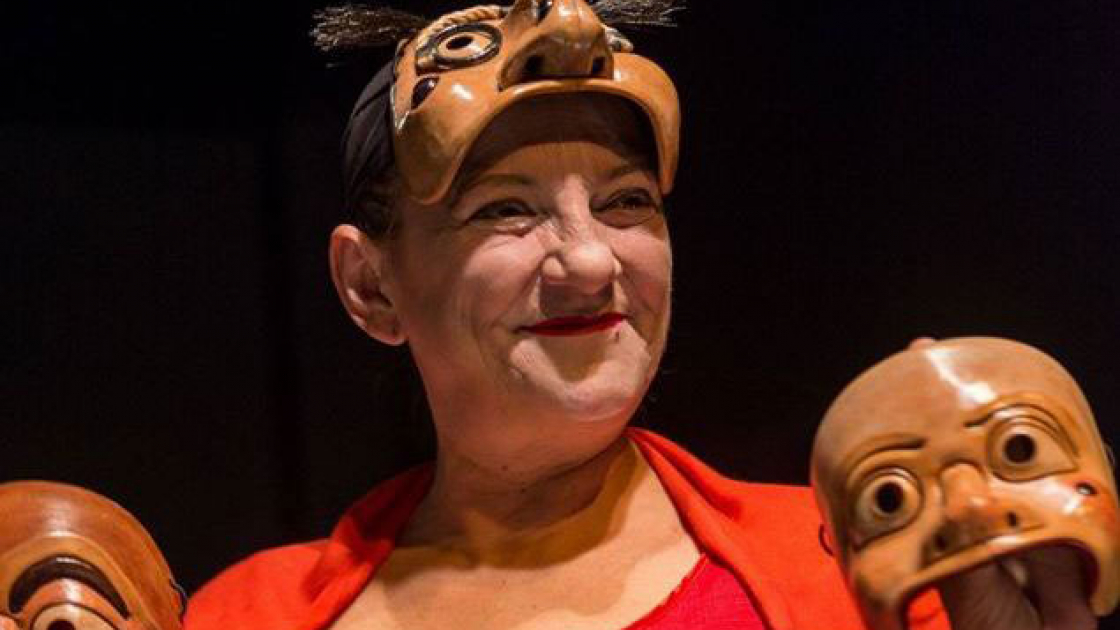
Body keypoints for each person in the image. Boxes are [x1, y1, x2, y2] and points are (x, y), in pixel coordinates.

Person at [183, 2, 1098, 629]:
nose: (590, 262)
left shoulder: (863, 572)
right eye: (505, 209)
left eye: (626, 202)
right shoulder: (242, 617)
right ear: (371, 287)